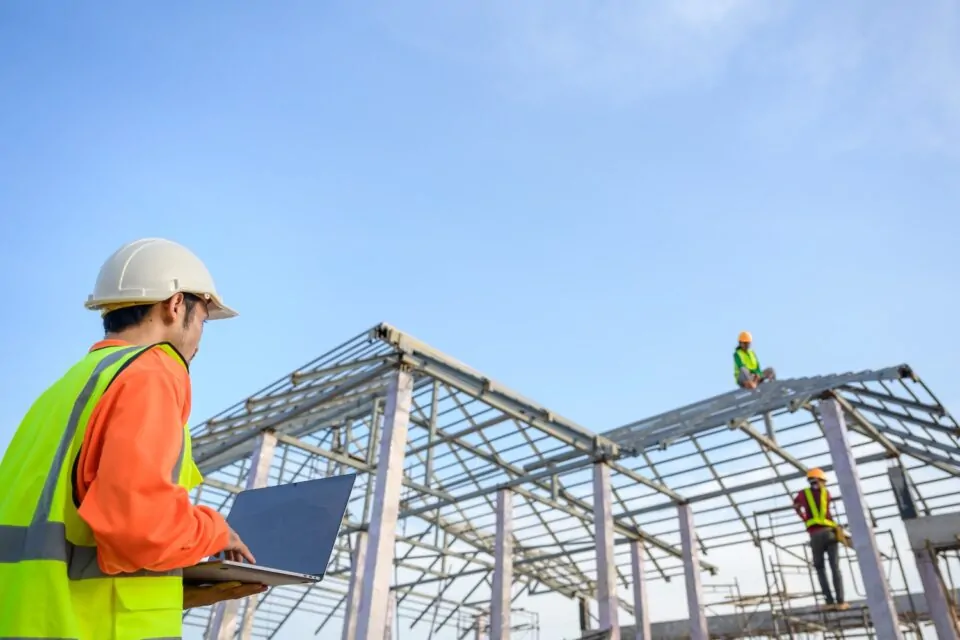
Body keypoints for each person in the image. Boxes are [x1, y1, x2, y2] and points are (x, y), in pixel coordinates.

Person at [0, 238, 266, 639]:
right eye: (203, 321)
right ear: (176, 305)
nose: (199, 340)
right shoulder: (152, 373)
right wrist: (216, 531)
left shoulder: (64, 389)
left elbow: (66, 550)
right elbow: (142, 529)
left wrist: (177, 588)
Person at [793, 468, 849, 611]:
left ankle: (829, 601)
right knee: (835, 567)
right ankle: (841, 601)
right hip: (830, 532)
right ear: (821, 480)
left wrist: (804, 518)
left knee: (820, 569)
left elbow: (796, 506)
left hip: (815, 535)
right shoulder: (826, 493)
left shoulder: (802, 494)